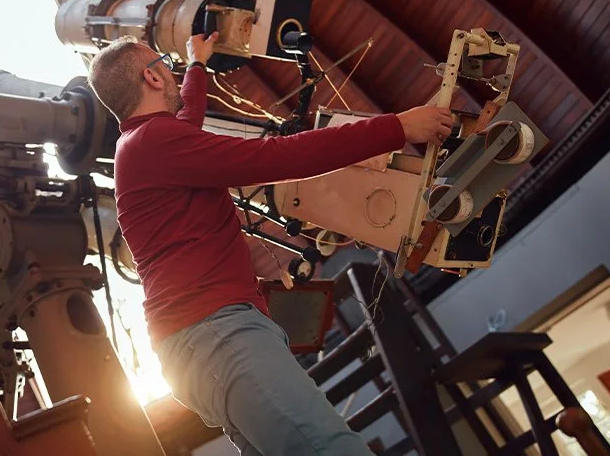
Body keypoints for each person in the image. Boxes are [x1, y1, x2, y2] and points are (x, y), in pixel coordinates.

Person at [86, 31, 454, 456]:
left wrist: (197, 63)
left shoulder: (142, 144)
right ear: (151, 78)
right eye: (164, 65)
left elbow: (189, 113)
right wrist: (399, 127)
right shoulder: (155, 143)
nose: (171, 72)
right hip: (218, 334)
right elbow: (279, 158)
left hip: (197, 348)